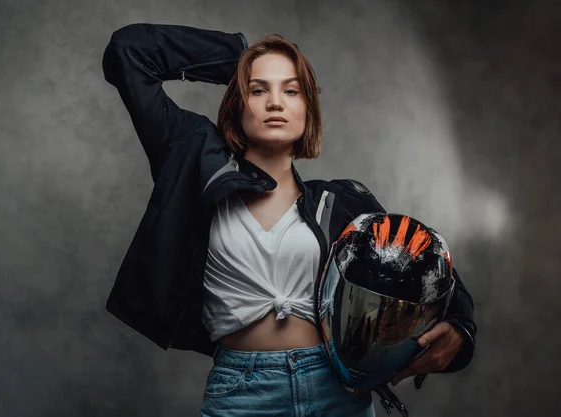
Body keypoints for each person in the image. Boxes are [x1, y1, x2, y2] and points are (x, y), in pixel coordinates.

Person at [101, 23, 477, 416]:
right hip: (242, 391)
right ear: (236, 103)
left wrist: (462, 329)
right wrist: (241, 57)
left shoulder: (342, 200)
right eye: (258, 89)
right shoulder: (192, 156)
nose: (275, 102)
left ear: (307, 110)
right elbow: (129, 51)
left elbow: (433, 269)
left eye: (291, 90)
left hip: (334, 391)